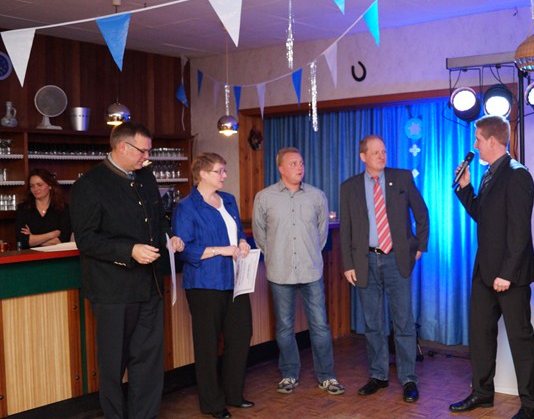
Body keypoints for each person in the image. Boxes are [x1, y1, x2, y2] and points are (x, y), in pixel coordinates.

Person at [70, 122, 185, 419]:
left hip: (150, 285)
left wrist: (169, 235)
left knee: (148, 362)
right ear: (122, 147)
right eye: (143, 151)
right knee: (113, 364)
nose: (147, 157)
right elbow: (86, 240)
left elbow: (158, 218)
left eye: (149, 151)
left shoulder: (146, 176)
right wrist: (129, 250)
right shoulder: (89, 184)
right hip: (112, 290)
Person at [451, 115, 534, 419]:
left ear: (492, 140)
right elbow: (483, 216)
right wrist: (465, 188)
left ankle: (531, 407)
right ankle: (482, 393)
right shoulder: (489, 174)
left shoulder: (517, 174)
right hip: (485, 272)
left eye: (477, 139)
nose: (474, 145)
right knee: (480, 335)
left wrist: (506, 273)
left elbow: (519, 231)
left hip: (509, 275)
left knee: (520, 340)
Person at [339, 135, 429, 403]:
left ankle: (408, 378)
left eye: (384, 151)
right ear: (363, 157)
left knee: (403, 322)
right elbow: (346, 229)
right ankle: (378, 375)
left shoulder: (402, 178)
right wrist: (348, 264)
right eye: (375, 152)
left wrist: (420, 246)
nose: (381, 156)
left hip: (396, 260)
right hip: (365, 262)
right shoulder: (349, 187)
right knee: (373, 323)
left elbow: (422, 213)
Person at [252, 147, 344, 396]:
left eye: (301, 162)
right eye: (293, 163)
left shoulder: (317, 196)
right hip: (280, 273)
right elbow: (260, 236)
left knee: (320, 326)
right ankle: (289, 374)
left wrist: (309, 254)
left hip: (311, 271)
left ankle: (327, 376)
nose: (299, 167)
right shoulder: (264, 197)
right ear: (281, 168)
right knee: (284, 327)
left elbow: (322, 234)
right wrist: (275, 256)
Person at [172, 152, 253, 419]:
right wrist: (221, 249)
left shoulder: (228, 200)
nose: (224, 176)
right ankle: (212, 403)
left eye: (224, 170)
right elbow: (185, 250)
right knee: (207, 344)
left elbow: (238, 232)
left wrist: (242, 242)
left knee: (241, 335)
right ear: (203, 174)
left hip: (235, 280)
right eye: (219, 171)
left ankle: (233, 394)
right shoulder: (186, 207)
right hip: (204, 284)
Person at [15, 168, 71, 249]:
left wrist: (34, 239)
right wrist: (52, 234)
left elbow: (63, 240)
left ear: (50, 186)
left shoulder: (63, 209)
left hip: (56, 255)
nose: (35, 189)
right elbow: (23, 241)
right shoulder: (23, 209)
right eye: (32, 186)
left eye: (39, 185)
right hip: (30, 256)